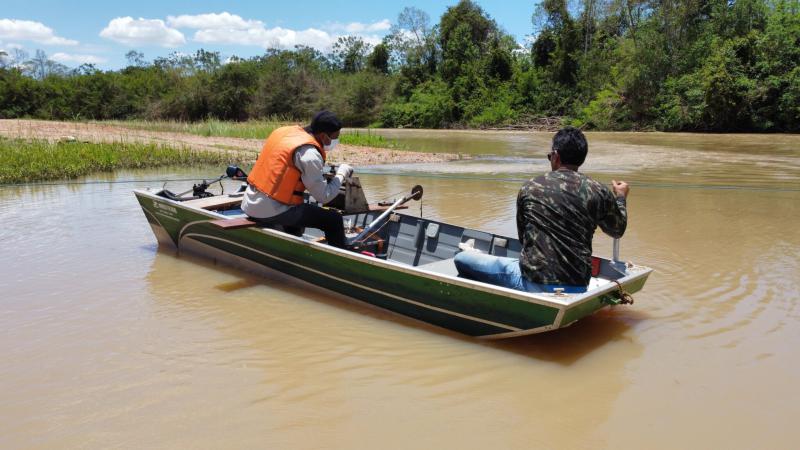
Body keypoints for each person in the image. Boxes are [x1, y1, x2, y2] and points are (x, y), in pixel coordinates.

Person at [454, 126, 629, 293]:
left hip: (533, 282)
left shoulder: (530, 187)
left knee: (461, 259)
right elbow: (617, 230)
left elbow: (524, 239)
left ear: (556, 156)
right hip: (580, 284)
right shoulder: (599, 190)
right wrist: (620, 197)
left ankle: (474, 259)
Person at [242, 110, 353, 248]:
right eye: (335, 137)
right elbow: (324, 197)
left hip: (249, 202)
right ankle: (339, 259)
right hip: (270, 210)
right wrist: (342, 173)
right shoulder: (310, 154)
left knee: (302, 209)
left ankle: (291, 240)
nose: (336, 141)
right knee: (333, 219)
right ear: (324, 136)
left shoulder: (283, 132)